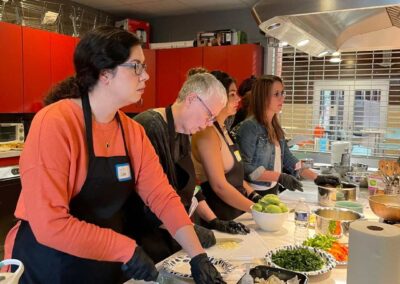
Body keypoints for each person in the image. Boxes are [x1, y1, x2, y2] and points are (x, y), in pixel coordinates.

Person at [3, 26, 225, 284]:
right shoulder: (55, 122)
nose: (146, 76)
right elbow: (50, 223)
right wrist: (126, 249)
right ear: (105, 72)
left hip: (101, 264)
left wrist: (197, 256)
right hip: (48, 265)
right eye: (136, 66)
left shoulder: (131, 132)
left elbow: (162, 197)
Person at [134, 72, 250, 262]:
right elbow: (149, 201)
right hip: (150, 241)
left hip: (176, 233)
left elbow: (192, 186)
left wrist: (213, 220)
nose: (207, 124)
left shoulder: (183, 130)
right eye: (209, 115)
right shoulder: (150, 127)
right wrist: (190, 230)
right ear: (192, 99)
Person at [235, 75, 340, 196]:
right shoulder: (249, 127)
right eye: (276, 94)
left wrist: (316, 177)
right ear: (263, 97)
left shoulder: (275, 126)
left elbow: (289, 159)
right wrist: (280, 177)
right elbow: (245, 168)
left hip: (272, 190)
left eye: (282, 93)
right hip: (253, 193)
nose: (282, 98)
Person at [191, 71, 262, 221]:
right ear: (217, 97)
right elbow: (219, 186)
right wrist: (257, 210)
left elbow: (234, 176)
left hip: (236, 212)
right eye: (232, 94)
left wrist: (255, 196)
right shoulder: (207, 134)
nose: (238, 98)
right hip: (218, 216)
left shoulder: (224, 130)